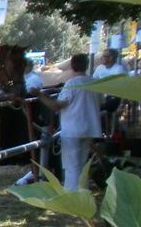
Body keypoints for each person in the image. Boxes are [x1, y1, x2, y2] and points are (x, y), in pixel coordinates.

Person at [37, 53, 102, 190]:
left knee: (71, 166)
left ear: (72, 66)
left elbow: (56, 106)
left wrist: (39, 95)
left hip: (73, 129)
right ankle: (82, 193)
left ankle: (72, 197)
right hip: (89, 128)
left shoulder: (72, 84)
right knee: (82, 164)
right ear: (86, 65)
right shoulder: (95, 82)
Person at [92, 47, 128, 134]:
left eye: (103, 56)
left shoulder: (119, 69)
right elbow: (93, 82)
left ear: (111, 58)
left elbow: (122, 88)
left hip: (113, 97)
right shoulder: (99, 68)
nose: (101, 58)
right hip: (101, 97)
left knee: (96, 109)